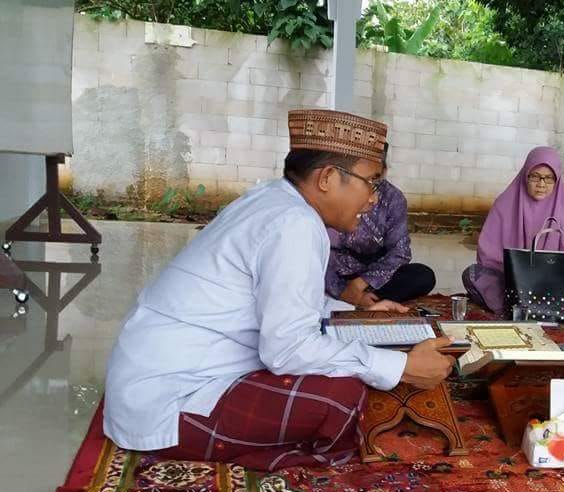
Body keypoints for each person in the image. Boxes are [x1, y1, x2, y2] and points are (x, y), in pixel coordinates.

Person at [103, 110, 455, 471]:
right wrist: (402, 366)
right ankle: (272, 459)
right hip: (170, 400)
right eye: (371, 182)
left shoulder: (274, 199)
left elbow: (291, 301)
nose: (373, 199)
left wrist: (355, 314)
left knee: (343, 366)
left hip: (157, 376)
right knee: (341, 398)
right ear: (329, 178)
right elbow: (287, 350)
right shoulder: (294, 224)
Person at [462, 146, 564, 316]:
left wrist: (552, 272)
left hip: (553, 282)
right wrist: (516, 272)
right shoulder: (504, 204)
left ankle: (526, 308)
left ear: (557, 180)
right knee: (473, 275)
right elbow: (488, 256)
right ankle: (539, 308)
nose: (541, 184)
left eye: (548, 178)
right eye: (535, 176)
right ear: (525, 175)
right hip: (512, 281)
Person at [326, 143, 437, 307]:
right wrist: (341, 290)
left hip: (372, 278)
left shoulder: (393, 198)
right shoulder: (335, 192)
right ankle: (352, 297)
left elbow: (400, 252)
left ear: (383, 170)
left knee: (422, 275)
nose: (372, 199)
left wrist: (360, 284)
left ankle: (368, 297)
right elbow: (313, 250)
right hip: (332, 272)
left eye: (374, 176)